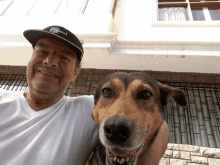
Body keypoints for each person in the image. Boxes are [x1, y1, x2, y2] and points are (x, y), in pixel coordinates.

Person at [0, 25, 169, 165]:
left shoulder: (89, 108)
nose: (49, 61)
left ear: (75, 73)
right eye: (42, 52)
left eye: (64, 57)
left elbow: (159, 124)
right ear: (30, 59)